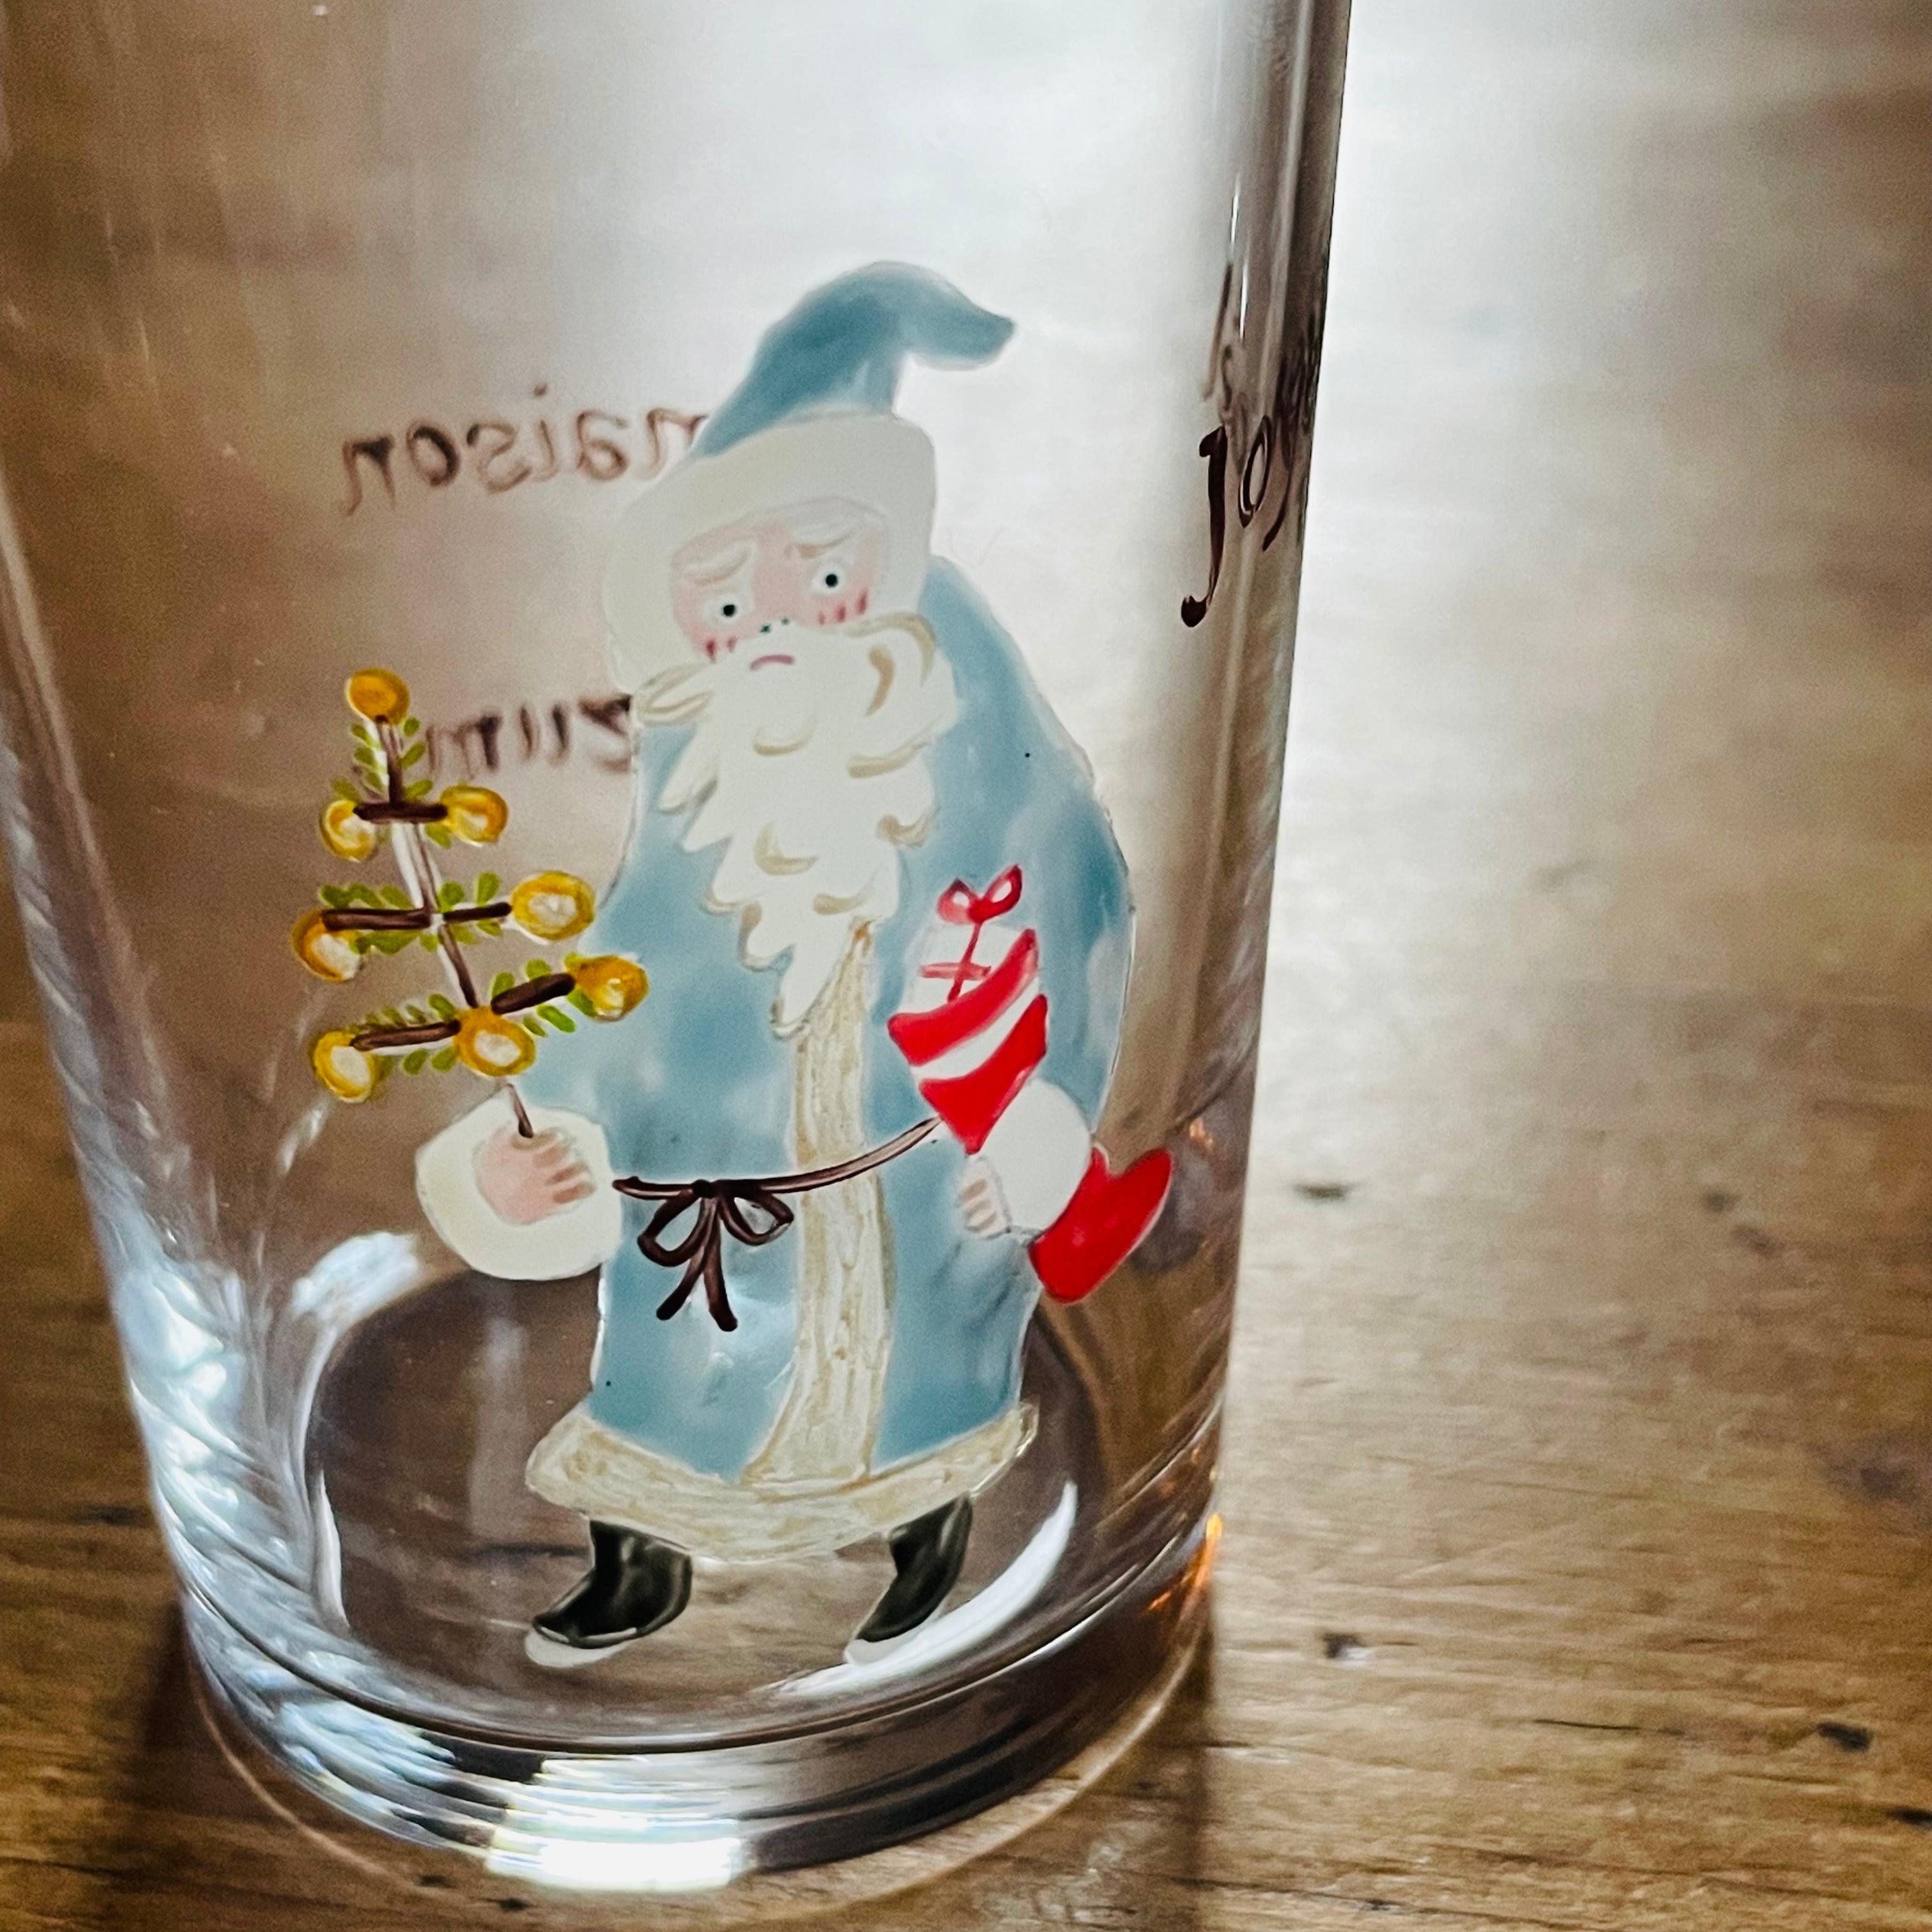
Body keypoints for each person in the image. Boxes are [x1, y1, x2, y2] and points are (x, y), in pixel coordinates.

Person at [416, 264, 1170, 1662]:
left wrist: (1042, 1128)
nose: (769, 627)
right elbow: (612, 999)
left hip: (922, 1197)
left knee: (924, 1384)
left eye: (817, 579)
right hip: (718, 1221)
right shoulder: (700, 826)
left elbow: (1076, 939)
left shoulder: (990, 796)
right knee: (670, 1398)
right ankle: (637, 1565)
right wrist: (528, 1149)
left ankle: (929, 1548)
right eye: (724, 603)